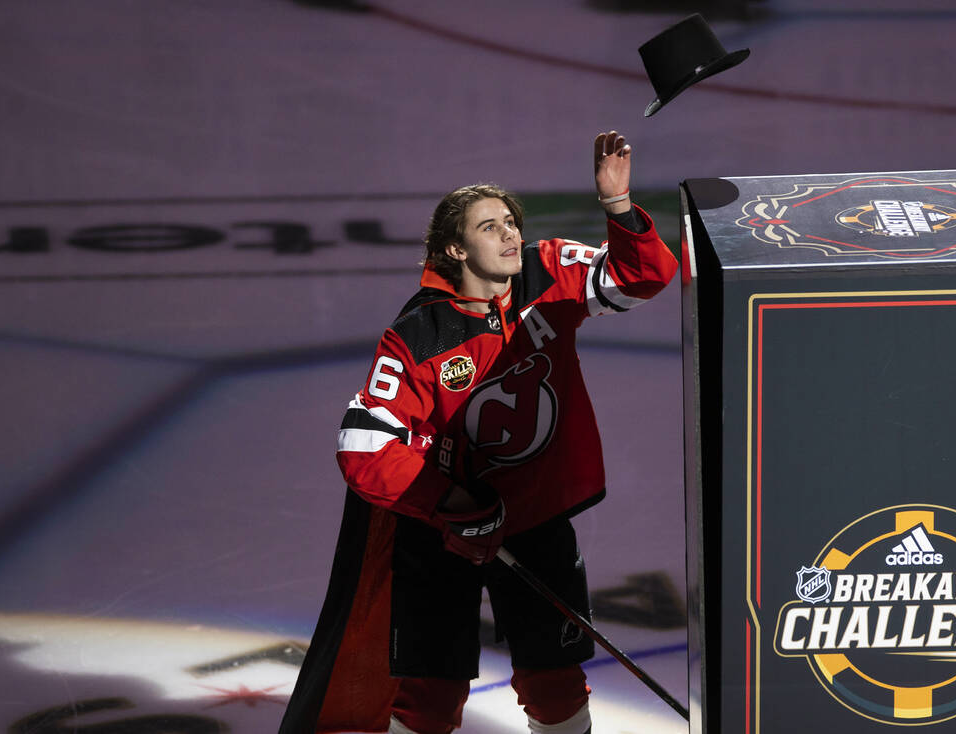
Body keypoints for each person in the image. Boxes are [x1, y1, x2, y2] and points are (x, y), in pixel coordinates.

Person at [278, 131, 679, 734]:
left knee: (556, 685)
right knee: (430, 699)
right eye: (490, 227)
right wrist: (451, 505)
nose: (512, 233)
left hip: (537, 520)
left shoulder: (548, 274)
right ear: (454, 251)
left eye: (512, 221)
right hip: (445, 536)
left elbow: (646, 275)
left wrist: (618, 206)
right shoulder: (417, 335)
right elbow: (363, 444)